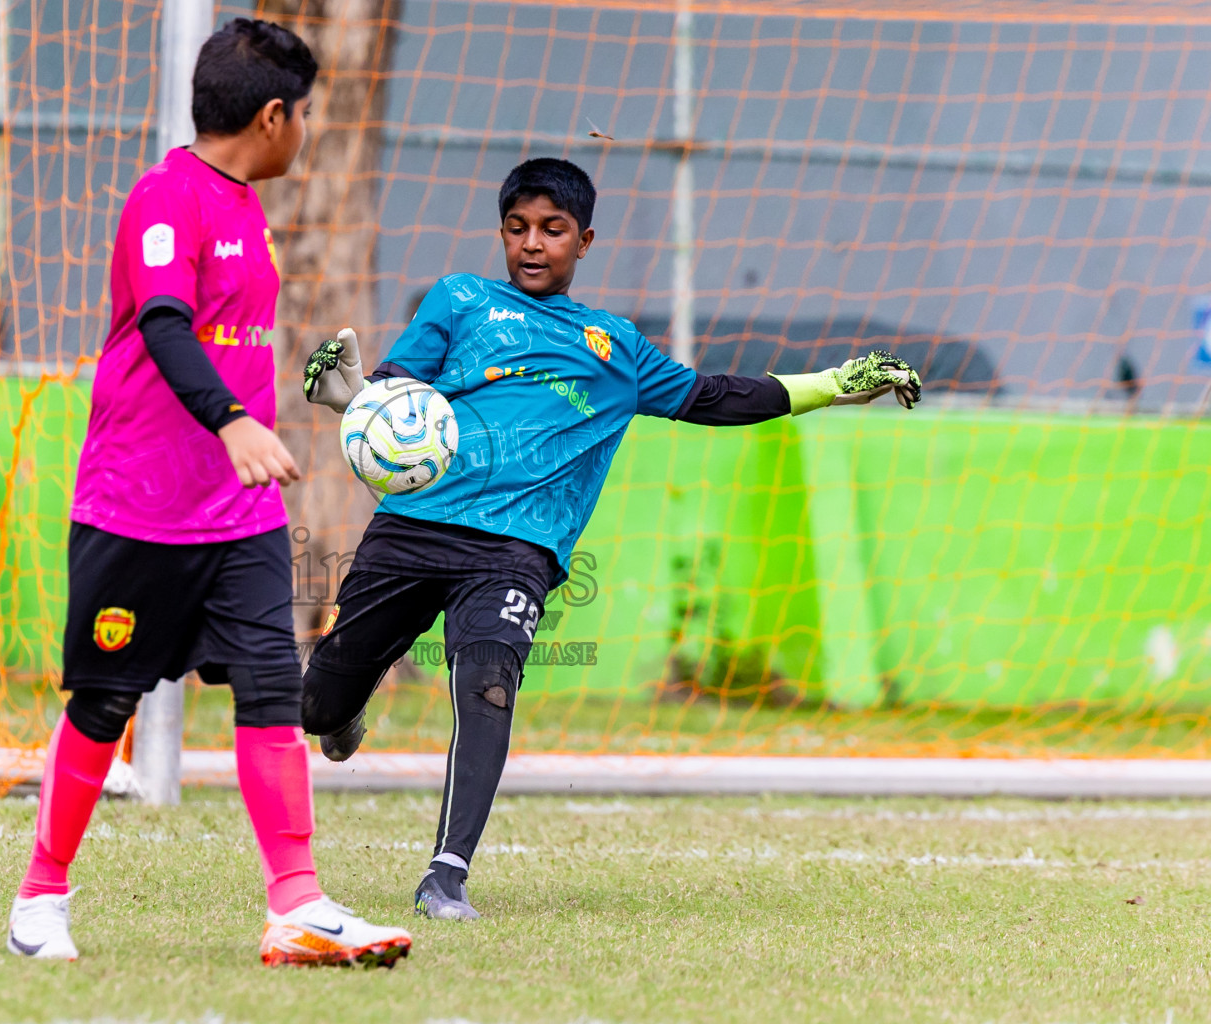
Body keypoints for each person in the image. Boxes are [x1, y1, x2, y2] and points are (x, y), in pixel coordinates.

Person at [301, 157, 920, 920]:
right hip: (413, 530)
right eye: (519, 228)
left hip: (515, 550)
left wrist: (835, 385)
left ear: (584, 240)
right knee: (316, 703)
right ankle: (340, 713)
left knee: (488, 681)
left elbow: (717, 397)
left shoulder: (614, 346)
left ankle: (447, 875)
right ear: (502, 232)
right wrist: (356, 397)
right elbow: (400, 400)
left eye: (552, 230)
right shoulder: (460, 300)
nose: (533, 244)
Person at [6, 17, 411, 967]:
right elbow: (162, 323)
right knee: (106, 705)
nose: (306, 131)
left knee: (274, 689)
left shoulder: (244, 209)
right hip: (137, 507)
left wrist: (350, 393)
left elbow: (242, 340)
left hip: (239, 516)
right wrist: (231, 422)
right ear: (271, 116)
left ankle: (298, 904)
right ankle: (40, 898)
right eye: (303, 114)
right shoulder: (165, 198)